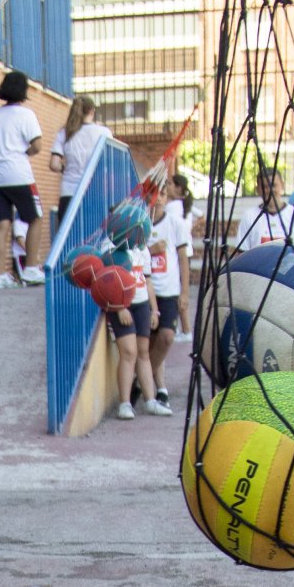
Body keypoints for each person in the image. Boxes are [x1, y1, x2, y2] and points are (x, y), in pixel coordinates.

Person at [0, 70, 43, 289]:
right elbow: (37, 145)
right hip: (19, 173)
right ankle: (32, 268)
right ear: (23, 90)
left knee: (2, 224)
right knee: (35, 218)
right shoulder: (26, 115)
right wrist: (23, 153)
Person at [108, 233, 171, 420]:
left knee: (143, 353)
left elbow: (147, 280)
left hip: (142, 303)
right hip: (123, 305)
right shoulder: (111, 246)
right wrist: (120, 308)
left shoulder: (141, 247)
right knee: (128, 353)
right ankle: (124, 403)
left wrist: (154, 310)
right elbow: (108, 281)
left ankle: (150, 400)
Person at [147, 180, 193, 406]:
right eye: (155, 193)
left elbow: (184, 260)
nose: (159, 198)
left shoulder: (176, 224)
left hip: (168, 291)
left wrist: (184, 292)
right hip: (144, 291)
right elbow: (130, 254)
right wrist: (150, 250)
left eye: (163, 194)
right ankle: (160, 388)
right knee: (149, 342)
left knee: (166, 338)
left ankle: (140, 381)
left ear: (167, 197)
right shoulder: (138, 224)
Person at [48, 95, 111, 223]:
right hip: (94, 192)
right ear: (92, 111)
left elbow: (54, 164)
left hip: (68, 192)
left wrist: (64, 168)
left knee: (68, 238)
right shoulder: (103, 132)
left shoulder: (65, 132)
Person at [235, 168, 294, 254]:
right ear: (258, 189)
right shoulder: (249, 216)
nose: (269, 190)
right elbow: (241, 254)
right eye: (265, 186)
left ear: (282, 185)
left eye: (273, 185)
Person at [166, 173, 198, 340]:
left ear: (179, 188)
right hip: (187, 249)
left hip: (180, 252)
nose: (167, 187)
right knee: (179, 288)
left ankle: (186, 330)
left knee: (179, 290)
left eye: (170, 184)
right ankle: (184, 329)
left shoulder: (172, 207)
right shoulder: (185, 204)